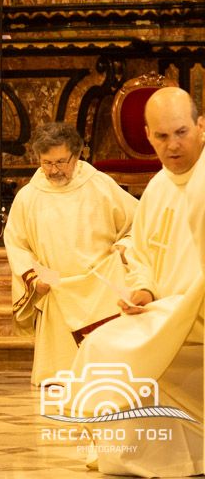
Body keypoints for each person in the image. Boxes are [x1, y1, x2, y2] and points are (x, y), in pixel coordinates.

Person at [64, 87, 204, 477]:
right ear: (147, 136)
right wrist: (142, 291)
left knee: (116, 350)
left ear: (201, 126)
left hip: (196, 315)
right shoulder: (158, 187)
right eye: (162, 136)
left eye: (181, 132)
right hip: (167, 309)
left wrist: (180, 306)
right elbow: (142, 254)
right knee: (100, 343)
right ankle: (135, 455)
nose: (172, 145)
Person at [3, 122, 138, 385]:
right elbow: (17, 244)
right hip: (56, 287)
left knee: (107, 375)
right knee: (61, 376)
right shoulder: (28, 196)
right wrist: (33, 278)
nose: (54, 170)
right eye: (47, 163)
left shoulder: (99, 185)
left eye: (61, 162)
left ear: (76, 156)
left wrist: (125, 246)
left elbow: (140, 222)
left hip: (100, 285)